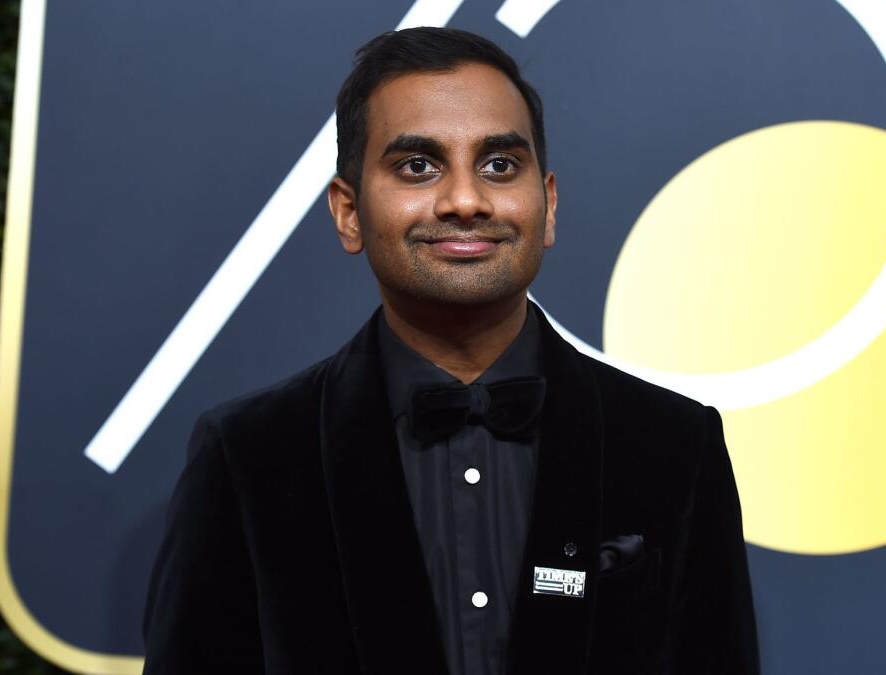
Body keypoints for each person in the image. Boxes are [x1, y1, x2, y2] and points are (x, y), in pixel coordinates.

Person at [142, 27, 759, 675]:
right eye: (418, 166)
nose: (465, 200)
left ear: (546, 205)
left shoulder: (675, 443)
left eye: (499, 165)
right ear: (348, 212)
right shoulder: (247, 455)